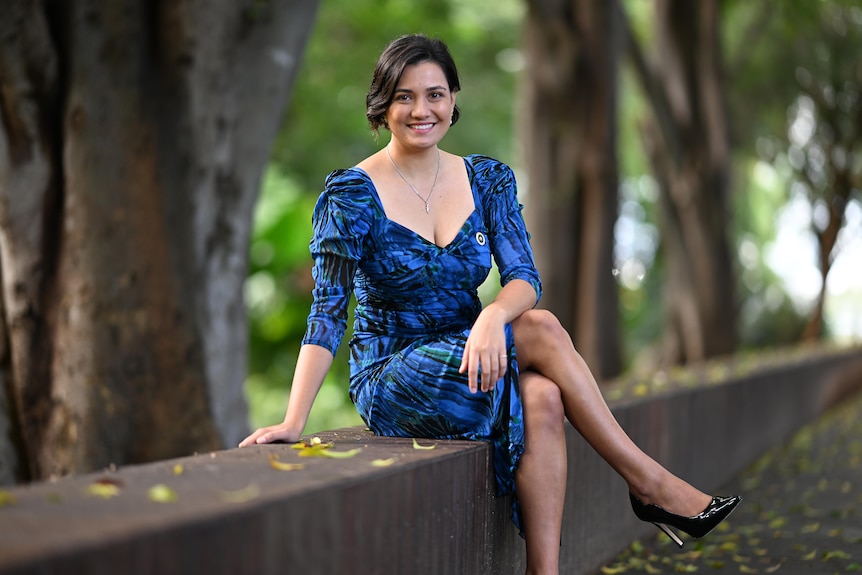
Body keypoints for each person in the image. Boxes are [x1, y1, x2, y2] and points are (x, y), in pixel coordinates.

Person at [240, 33, 740, 574]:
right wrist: (295, 419)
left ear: (454, 99)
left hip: (479, 350)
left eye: (434, 94)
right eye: (403, 96)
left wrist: (493, 315)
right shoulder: (350, 196)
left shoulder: (487, 179)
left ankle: (544, 570)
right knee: (543, 330)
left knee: (545, 397)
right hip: (394, 370)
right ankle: (649, 482)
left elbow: (524, 278)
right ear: (382, 106)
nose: (420, 110)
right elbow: (327, 312)